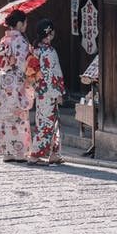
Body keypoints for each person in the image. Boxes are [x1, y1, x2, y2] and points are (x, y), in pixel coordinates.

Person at [0, 9, 35, 162]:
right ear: (19, 23)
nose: (26, 25)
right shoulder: (21, 42)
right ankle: (19, 153)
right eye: (25, 22)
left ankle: (7, 152)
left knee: (5, 118)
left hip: (4, 85)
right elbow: (26, 64)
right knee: (19, 118)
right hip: (17, 84)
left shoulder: (4, 41)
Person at [28, 19, 66, 166]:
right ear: (49, 34)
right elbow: (53, 74)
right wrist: (58, 94)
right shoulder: (49, 52)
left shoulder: (35, 50)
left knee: (49, 122)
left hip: (40, 91)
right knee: (46, 124)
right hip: (49, 92)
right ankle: (36, 155)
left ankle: (54, 153)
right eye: (52, 31)